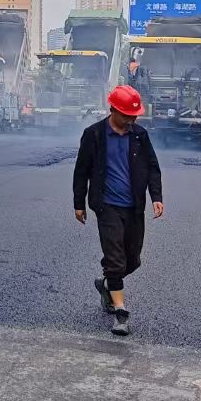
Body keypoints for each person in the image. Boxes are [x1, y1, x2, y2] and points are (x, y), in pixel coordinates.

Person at [73, 86, 164, 337]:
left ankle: (105, 283)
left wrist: (156, 196)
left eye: (134, 116)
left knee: (132, 260)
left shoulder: (139, 135)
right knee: (115, 259)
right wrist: (78, 203)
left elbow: (153, 168)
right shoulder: (93, 135)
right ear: (113, 110)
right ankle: (120, 312)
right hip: (107, 205)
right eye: (127, 115)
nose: (132, 120)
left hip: (134, 206)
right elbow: (81, 171)